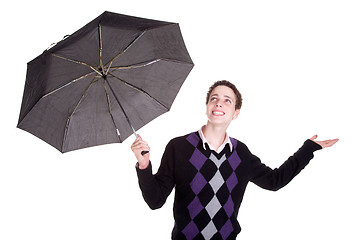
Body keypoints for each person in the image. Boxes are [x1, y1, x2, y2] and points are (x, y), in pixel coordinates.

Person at [131, 80, 338, 240]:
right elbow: (155, 201)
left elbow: (275, 181)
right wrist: (144, 165)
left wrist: (307, 150)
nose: (219, 102)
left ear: (235, 113)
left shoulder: (241, 154)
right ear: (207, 107)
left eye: (227, 100)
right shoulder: (179, 147)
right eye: (214, 98)